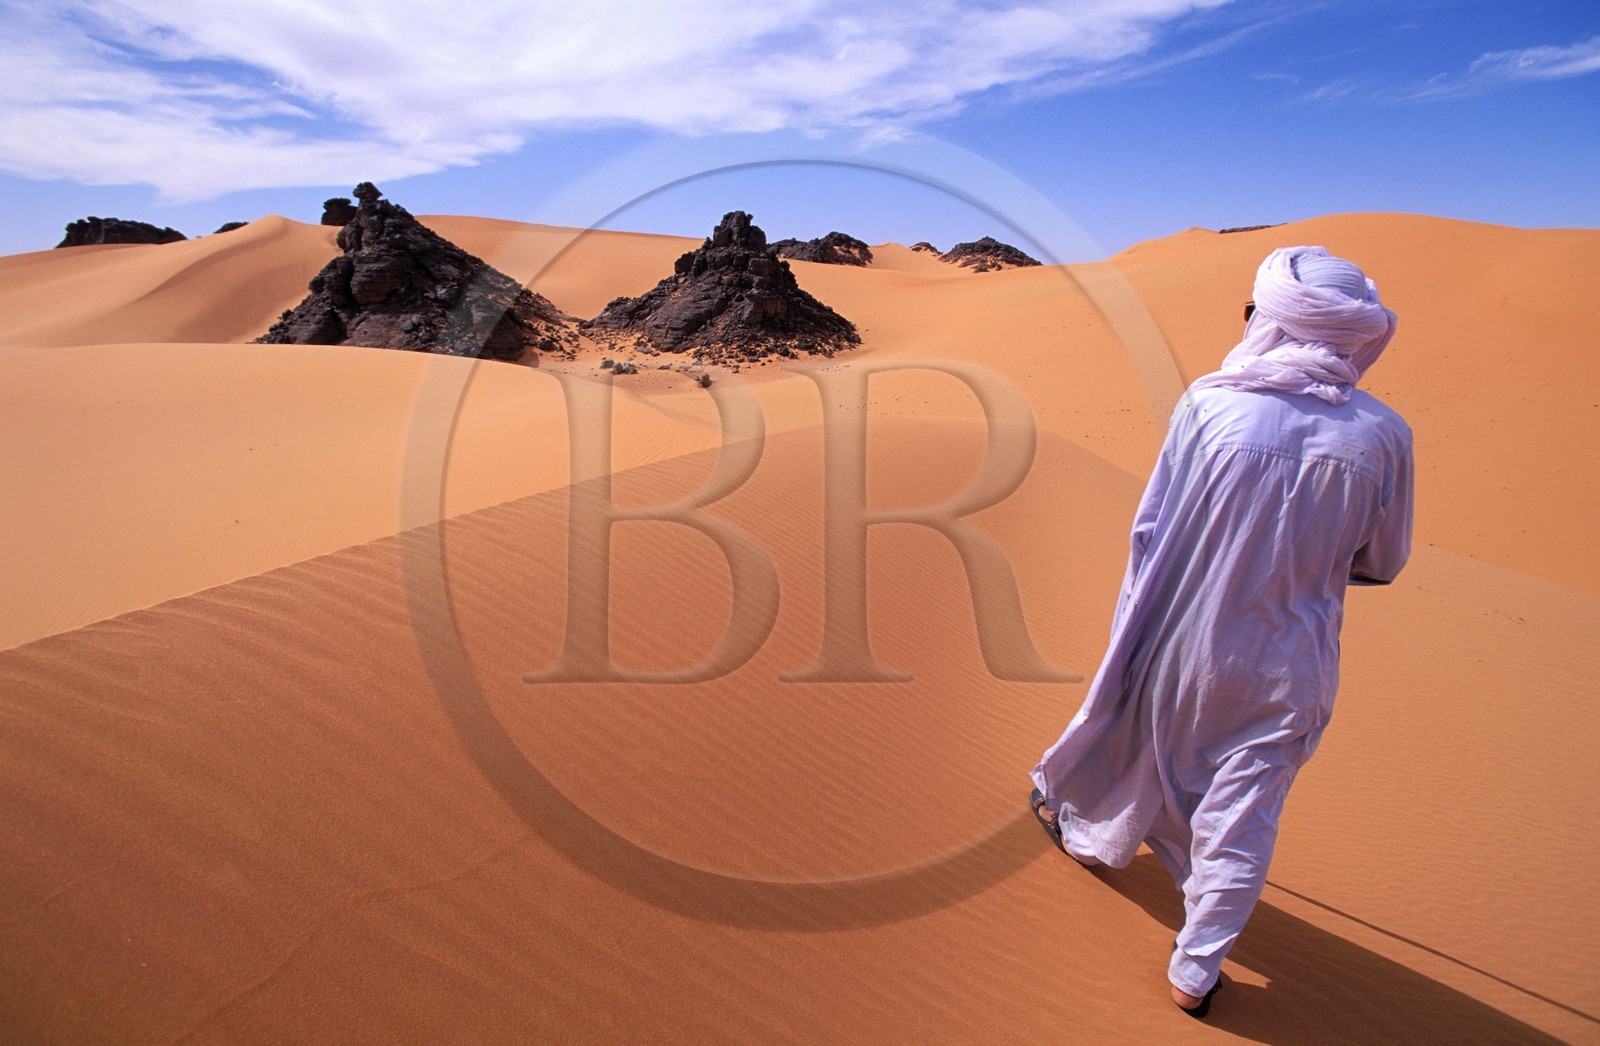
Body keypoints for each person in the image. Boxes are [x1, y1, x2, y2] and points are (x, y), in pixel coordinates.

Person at [1028, 245, 1413, 1019]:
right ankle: (1195, 973)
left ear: (1274, 321)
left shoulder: (1210, 404)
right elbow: (1383, 561)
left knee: (1141, 750)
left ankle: (1091, 841)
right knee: (1245, 813)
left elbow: (1153, 526)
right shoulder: (1385, 436)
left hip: (1184, 637)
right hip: (1290, 662)